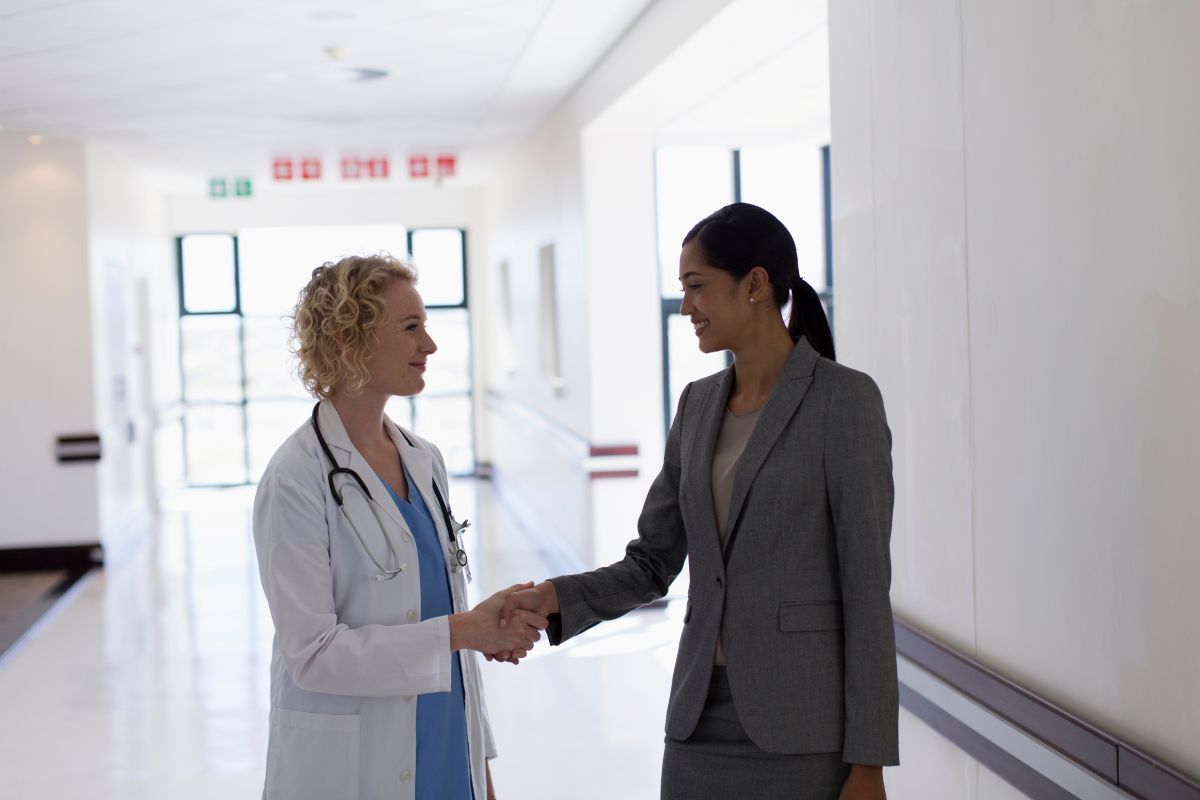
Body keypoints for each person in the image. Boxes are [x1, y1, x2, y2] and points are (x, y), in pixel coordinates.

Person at [499, 203, 899, 799]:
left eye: (696, 286)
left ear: (756, 285)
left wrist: (868, 765)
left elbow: (866, 591)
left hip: (806, 730)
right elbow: (652, 562)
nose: (686, 307)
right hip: (696, 722)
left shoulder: (845, 402)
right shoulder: (697, 405)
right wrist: (556, 597)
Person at [253, 254, 547, 800]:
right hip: (354, 768)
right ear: (349, 339)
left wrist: (480, 771)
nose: (429, 346)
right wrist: (466, 630)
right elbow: (312, 655)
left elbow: (444, 627)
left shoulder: (423, 460)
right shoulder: (295, 478)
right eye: (411, 328)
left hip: (446, 749)